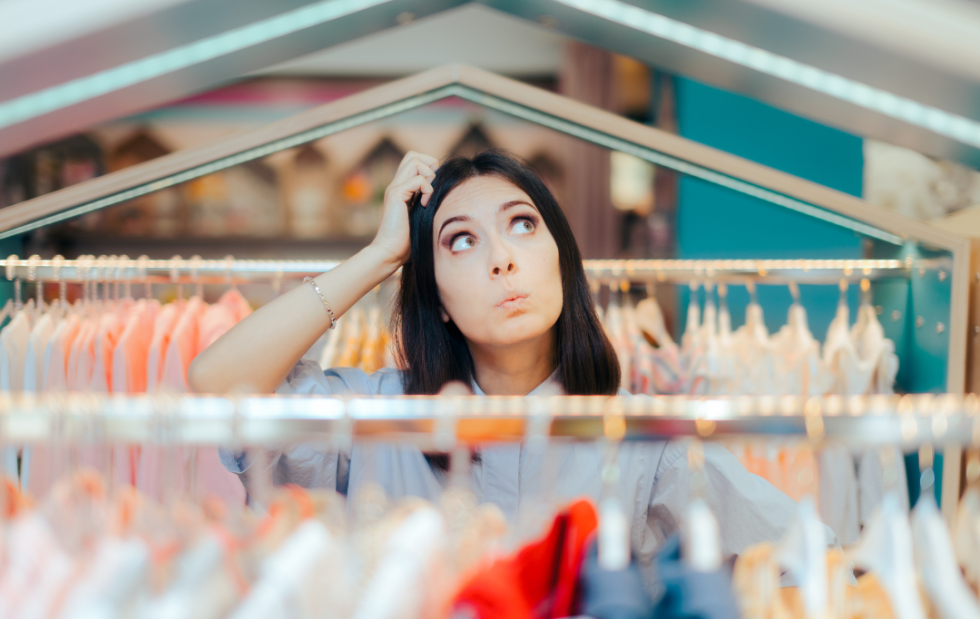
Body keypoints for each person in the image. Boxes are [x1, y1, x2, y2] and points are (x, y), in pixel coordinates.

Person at [189, 149, 801, 578]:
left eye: (523, 225)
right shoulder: (379, 420)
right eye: (461, 240)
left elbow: (802, 559)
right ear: (439, 301)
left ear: (560, 259)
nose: (502, 258)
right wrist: (380, 256)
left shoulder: (646, 442)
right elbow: (218, 384)